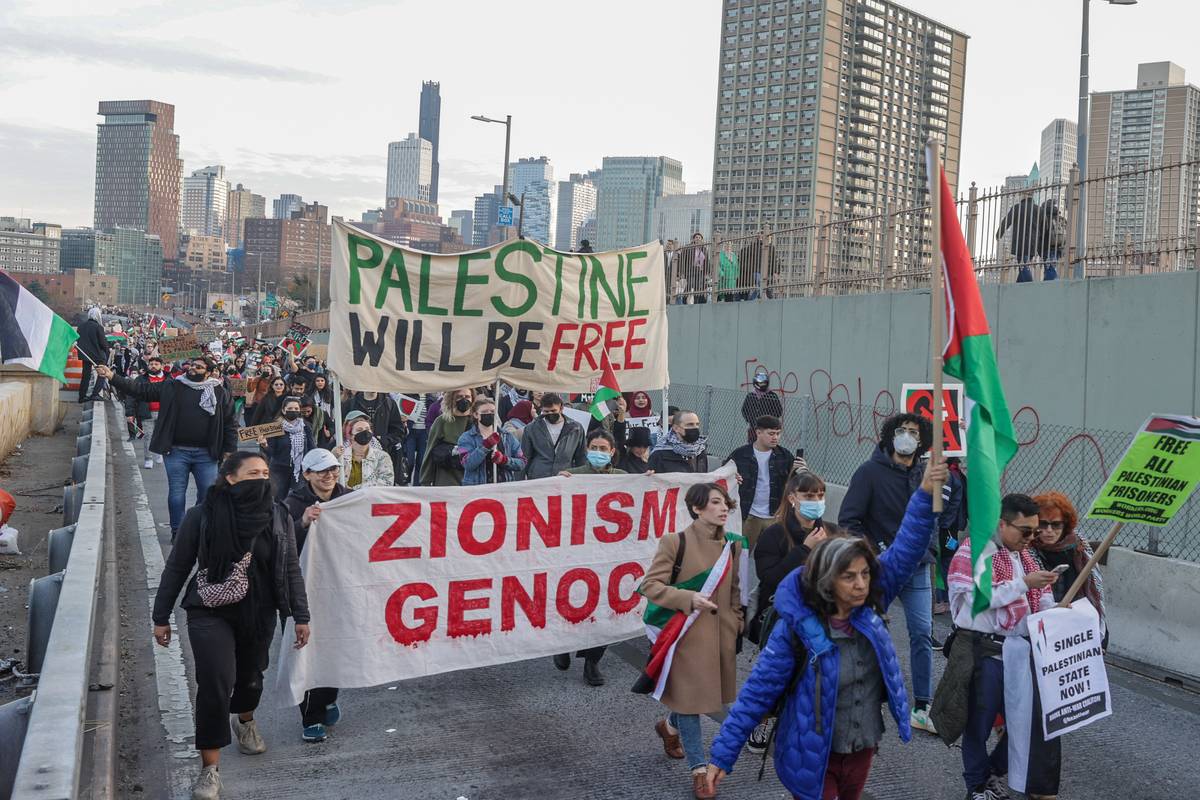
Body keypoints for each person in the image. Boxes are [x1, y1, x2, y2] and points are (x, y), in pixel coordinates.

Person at [705, 459, 946, 800]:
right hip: (810, 757)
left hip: (861, 750)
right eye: (849, 577)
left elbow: (906, 548)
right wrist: (722, 755)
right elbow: (757, 693)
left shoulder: (871, 604)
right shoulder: (797, 630)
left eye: (865, 574)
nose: (862, 584)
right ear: (826, 581)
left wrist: (924, 494)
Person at [152, 452, 310, 800]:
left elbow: (290, 569)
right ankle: (210, 770)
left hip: (259, 612)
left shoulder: (278, 515)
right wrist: (160, 616)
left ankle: (246, 720)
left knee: (251, 677)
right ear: (231, 479)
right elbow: (177, 567)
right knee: (215, 682)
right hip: (209, 610)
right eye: (253, 473)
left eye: (266, 472)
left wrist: (301, 615)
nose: (262, 478)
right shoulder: (202, 515)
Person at [942, 493, 1061, 800]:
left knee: (1027, 721)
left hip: (1019, 652)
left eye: (1034, 532)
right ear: (1002, 524)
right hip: (982, 650)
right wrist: (1025, 584)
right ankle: (978, 786)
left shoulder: (1026, 557)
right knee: (978, 725)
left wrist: (1058, 608)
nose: (1030, 538)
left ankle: (991, 773)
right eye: (1025, 531)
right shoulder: (973, 553)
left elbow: (1040, 598)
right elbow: (979, 599)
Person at [641, 483, 745, 799]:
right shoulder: (676, 542)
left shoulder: (733, 544)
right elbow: (650, 585)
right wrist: (688, 598)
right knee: (688, 697)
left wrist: (737, 621)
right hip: (683, 634)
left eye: (725, 501)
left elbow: (735, 587)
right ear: (697, 508)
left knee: (696, 697)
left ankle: (669, 728)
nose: (723, 507)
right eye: (715, 502)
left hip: (720, 634)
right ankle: (699, 770)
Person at [838, 412, 938, 733]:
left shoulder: (925, 476)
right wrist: (870, 554)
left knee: (922, 632)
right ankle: (863, 696)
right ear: (890, 436)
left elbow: (937, 518)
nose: (907, 436)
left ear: (922, 440)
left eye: (913, 431)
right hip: (877, 569)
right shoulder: (869, 473)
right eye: (902, 430)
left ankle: (922, 703)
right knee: (866, 631)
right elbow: (849, 521)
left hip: (918, 567)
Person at [96, 357, 238, 541]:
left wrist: (229, 450)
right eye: (192, 365)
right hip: (177, 451)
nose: (192, 368)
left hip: (207, 454)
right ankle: (177, 532)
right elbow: (142, 390)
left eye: (199, 367)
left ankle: (198, 526)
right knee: (177, 493)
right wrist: (112, 376)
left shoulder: (219, 392)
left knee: (207, 493)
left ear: (209, 372)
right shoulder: (173, 386)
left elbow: (230, 423)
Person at [282, 448, 350, 743]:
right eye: (322, 471)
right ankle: (311, 716)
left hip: (339, 584)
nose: (329, 476)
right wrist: (303, 524)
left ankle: (328, 695)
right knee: (306, 648)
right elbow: (280, 546)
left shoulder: (349, 498)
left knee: (336, 643)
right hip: (301, 590)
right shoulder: (290, 505)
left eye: (333, 469)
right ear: (306, 474)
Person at [1032, 491, 1105, 631]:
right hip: (1041, 621)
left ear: (1065, 525)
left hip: (1076, 614)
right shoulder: (1027, 547)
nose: (1049, 530)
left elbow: (1095, 582)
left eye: (1056, 525)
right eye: (1043, 524)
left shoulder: (1077, 543)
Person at [725, 415, 799, 550]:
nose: (775, 437)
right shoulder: (741, 454)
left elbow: (795, 484)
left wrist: (801, 471)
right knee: (739, 555)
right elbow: (724, 475)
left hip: (775, 516)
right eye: (771, 433)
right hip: (747, 515)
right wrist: (732, 476)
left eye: (778, 433)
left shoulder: (784, 456)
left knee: (773, 554)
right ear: (758, 432)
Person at [455, 396, 526, 485]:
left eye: (492, 412)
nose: (489, 414)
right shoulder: (466, 438)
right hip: (478, 489)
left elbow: (522, 462)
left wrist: (504, 460)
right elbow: (467, 464)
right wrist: (485, 446)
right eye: (484, 412)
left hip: (503, 488)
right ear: (476, 415)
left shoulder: (507, 436)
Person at [259, 396, 314, 502]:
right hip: (279, 468)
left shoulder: (306, 426)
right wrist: (265, 445)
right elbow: (271, 451)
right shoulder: (276, 427)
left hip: (300, 469)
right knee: (277, 498)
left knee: (298, 498)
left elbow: (312, 447)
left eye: (296, 409)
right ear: (283, 410)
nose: (293, 411)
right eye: (290, 409)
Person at [521, 393, 587, 480]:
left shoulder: (576, 428)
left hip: (565, 477)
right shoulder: (531, 428)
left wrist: (581, 479)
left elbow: (581, 457)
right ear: (541, 410)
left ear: (561, 408)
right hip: (538, 478)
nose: (550, 414)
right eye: (546, 411)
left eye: (553, 411)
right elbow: (524, 457)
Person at [344, 391, 406, 482]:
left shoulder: (389, 403)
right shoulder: (351, 403)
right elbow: (342, 427)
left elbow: (398, 431)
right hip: (354, 457)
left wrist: (385, 441)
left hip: (382, 454)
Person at [420, 388, 474, 486]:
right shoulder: (442, 421)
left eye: (467, 397)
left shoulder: (476, 421)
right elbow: (430, 450)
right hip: (447, 478)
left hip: (471, 478)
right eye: (459, 397)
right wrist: (425, 481)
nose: (464, 400)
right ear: (452, 399)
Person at [127, 355, 167, 469]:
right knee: (148, 436)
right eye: (151, 364)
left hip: (164, 413)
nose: (153, 366)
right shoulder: (140, 379)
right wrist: (130, 413)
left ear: (162, 366)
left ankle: (159, 453)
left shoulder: (167, 379)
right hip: (146, 413)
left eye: (156, 364)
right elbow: (131, 396)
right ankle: (148, 458)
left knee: (161, 435)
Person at [338, 413, 395, 489]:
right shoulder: (342, 456)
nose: (365, 433)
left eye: (367, 429)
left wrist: (355, 490)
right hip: (345, 499)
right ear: (351, 435)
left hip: (371, 499)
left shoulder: (382, 456)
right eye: (359, 430)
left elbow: (387, 482)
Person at [996, 191, 1042, 283]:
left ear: (1023, 197)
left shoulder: (1017, 208)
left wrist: (999, 233)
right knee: (1024, 264)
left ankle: (1030, 285)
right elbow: (1044, 225)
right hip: (1033, 242)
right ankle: (1018, 286)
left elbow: (1006, 221)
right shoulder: (1038, 209)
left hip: (1020, 242)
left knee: (1023, 264)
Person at [648, 409, 709, 474]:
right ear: (676, 428)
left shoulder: (700, 451)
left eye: (697, 424)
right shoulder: (660, 454)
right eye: (690, 424)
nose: (695, 427)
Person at [76, 307, 111, 402]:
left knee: (85, 375)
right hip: (97, 355)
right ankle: (95, 394)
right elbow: (103, 343)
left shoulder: (81, 326)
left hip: (85, 355)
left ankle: (82, 396)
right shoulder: (98, 327)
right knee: (102, 373)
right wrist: (107, 352)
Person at [741, 368, 784, 442]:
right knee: (752, 446)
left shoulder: (772, 396)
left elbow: (779, 411)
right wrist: (751, 420)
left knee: (766, 446)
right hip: (754, 427)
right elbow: (744, 410)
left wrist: (768, 420)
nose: (762, 385)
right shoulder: (751, 396)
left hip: (767, 428)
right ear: (756, 383)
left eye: (764, 383)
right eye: (761, 383)